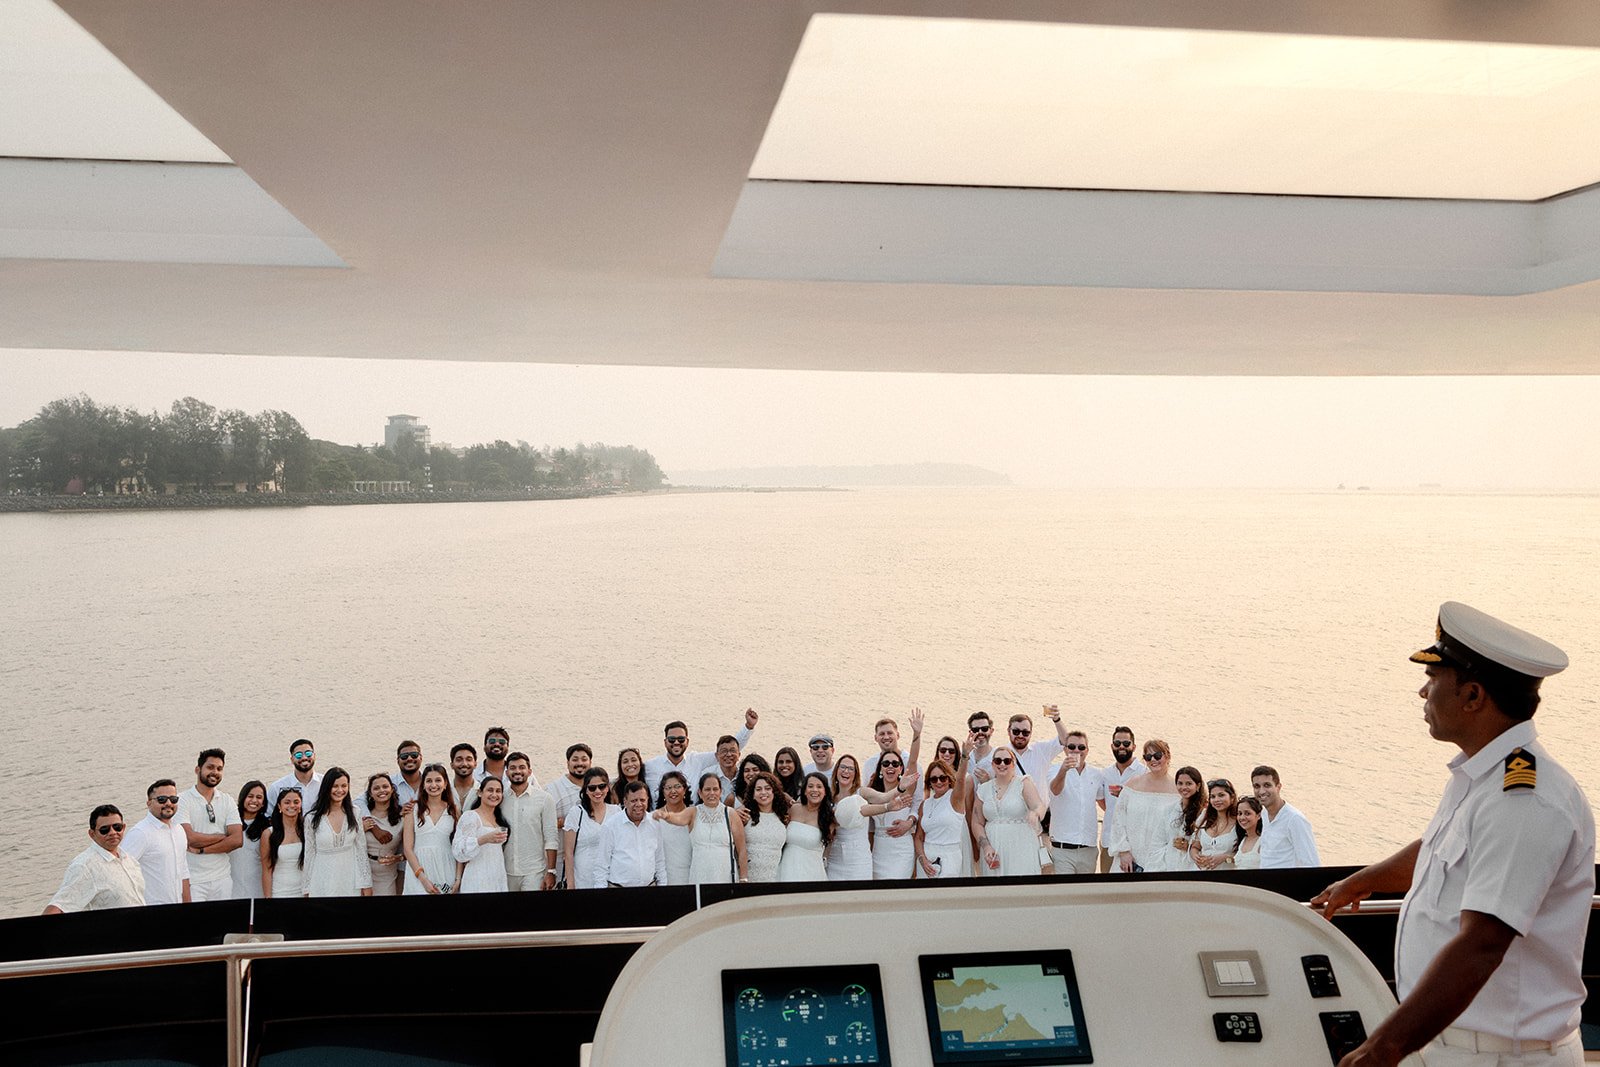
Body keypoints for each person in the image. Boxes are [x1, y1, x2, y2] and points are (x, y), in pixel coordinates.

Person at [1313, 602, 1593, 1067]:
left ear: (1473, 695)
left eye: (1435, 679)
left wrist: (1383, 1048)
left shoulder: (1523, 799)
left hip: (1502, 1057)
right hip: (1456, 1047)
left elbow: (1482, 945)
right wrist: (1362, 881)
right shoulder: (1484, 776)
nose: (1423, 691)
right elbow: (1442, 852)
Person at [44, 805, 146, 913]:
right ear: (92, 834)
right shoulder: (84, 866)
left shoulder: (130, 860)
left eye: (117, 827)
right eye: (104, 830)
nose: (112, 832)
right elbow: (58, 907)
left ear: (124, 827)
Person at [642, 709, 757, 802]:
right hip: (660, 823)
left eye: (681, 739)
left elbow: (727, 751)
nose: (676, 742)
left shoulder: (697, 761)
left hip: (690, 823)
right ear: (665, 742)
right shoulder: (650, 766)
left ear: (687, 741)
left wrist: (748, 727)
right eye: (672, 739)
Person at [654, 772, 748, 884]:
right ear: (700, 792)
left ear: (721, 791)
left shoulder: (731, 813)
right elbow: (679, 818)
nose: (711, 793)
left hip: (725, 874)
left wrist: (743, 878)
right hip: (699, 874)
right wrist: (666, 816)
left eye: (715, 789)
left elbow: (741, 850)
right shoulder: (693, 811)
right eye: (707, 789)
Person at [175, 748, 243, 901]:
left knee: (224, 925)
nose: (215, 772)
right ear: (197, 769)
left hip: (223, 879)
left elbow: (237, 840)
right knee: (197, 925)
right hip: (194, 880)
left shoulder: (227, 800)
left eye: (219, 768)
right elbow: (190, 838)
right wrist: (222, 836)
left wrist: (202, 850)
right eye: (210, 767)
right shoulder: (182, 800)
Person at [970, 746, 1048, 876]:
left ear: (1013, 764)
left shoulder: (1023, 782)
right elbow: (976, 822)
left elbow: (1039, 805)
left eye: (1007, 761)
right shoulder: (983, 789)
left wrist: (1035, 813)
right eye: (998, 761)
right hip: (993, 849)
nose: (1002, 764)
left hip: (1021, 846)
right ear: (993, 764)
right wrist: (985, 846)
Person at [1107, 740, 1182, 873]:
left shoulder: (1178, 791)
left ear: (1167, 756)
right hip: (1127, 862)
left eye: (1157, 756)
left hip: (1160, 863)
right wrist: (1123, 851)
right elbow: (1118, 820)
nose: (1153, 760)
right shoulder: (1133, 784)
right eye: (1148, 757)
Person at [303, 768, 373, 897]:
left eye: (344, 786)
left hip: (350, 878)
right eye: (335, 786)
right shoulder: (311, 818)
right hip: (321, 880)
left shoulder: (355, 812)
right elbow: (309, 855)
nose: (340, 790)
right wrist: (306, 889)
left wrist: (366, 884)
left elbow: (360, 850)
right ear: (326, 787)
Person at [122, 779, 192, 905]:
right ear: (149, 803)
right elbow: (121, 872)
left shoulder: (179, 830)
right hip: (151, 911)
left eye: (173, 799)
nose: (168, 803)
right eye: (162, 799)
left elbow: (183, 872)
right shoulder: (140, 833)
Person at [1046, 730, 1103, 875]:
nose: (1076, 750)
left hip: (1088, 849)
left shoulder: (1097, 775)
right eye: (1072, 747)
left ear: (1087, 750)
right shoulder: (1053, 770)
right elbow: (1055, 790)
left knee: (1086, 894)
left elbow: (1103, 803)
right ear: (1065, 749)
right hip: (1062, 849)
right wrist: (1063, 770)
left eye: (1081, 747)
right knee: (1064, 894)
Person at [593, 781, 667, 888]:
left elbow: (659, 861)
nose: (638, 804)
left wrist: (663, 888)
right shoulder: (611, 826)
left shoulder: (655, 823)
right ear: (625, 801)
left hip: (650, 890)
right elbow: (601, 866)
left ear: (647, 800)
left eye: (642, 800)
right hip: (618, 891)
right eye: (633, 800)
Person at [503, 751, 559, 891]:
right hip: (505, 871)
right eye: (513, 768)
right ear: (506, 772)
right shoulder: (500, 799)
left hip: (534, 872)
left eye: (522, 767)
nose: (517, 771)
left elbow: (551, 836)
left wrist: (551, 871)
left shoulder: (545, 799)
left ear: (529, 771)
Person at [402, 763, 459, 895]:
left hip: (446, 868)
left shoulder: (454, 810)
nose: (433, 785)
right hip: (419, 871)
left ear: (445, 784)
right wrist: (423, 879)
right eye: (429, 781)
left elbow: (458, 847)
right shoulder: (413, 810)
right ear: (423, 785)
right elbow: (407, 848)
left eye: (438, 780)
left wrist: (457, 879)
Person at [1253, 765, 1321, 868]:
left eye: (1267, 785)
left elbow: (1311, 864)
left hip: (1286, 882)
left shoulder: (1294, 819)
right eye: (1257, 786)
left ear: (1278, 787)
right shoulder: (1264, 814)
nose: (1261, 791)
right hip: (1264, 881)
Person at [453, 776, 511, 893]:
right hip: (477, 876)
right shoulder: (471, 816)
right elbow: (458, 850)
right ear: (480, 793)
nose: (494, 794)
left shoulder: (500, 820)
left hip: (497, 875)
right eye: (490, 790)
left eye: (498, 791)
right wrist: (484, 839)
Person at [1099, 726, 1144, 873]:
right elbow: (1103, 803)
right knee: (1106, 888)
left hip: (1134, 843)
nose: (1121, 747)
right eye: (1117, 744)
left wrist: (1126, 797)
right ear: (1112, 746)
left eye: (1126, 743)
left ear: (1133, 746)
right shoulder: (1105, 773)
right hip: (1108, 840)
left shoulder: (1144, 773)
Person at [563, 768, 617, 889]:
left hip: (611, 878)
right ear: (586, 790)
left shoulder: (617, 812)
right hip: (583, 880)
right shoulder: (576, 813)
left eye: (602, 786)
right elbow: (568, 852)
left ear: (607, 788)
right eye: (592, 788)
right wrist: (570, 884)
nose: (597, 791)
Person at [867, 751, 918, 879]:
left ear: (900, 769)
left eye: (895, 764)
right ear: (880, 769)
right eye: (886, 763)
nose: (890, 766)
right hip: (879, 852)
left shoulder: (907, 790)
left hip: (901, 850)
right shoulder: (872, 793)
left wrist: (917, 735)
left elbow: (912, 761)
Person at [546, 743, 592, 886]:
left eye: (584, 759)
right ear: (567, 763)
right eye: (575, 759)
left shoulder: (597, 788)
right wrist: (563, 823)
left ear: (590, 762)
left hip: (589, 859)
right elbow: (543, 825)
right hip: (561, 861)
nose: (580, 763)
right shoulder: (552, 789)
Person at [915, 760, 968, 879]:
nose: (938, 782)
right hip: (926, 858)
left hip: (949, 856)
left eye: (942, 778)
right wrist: (922, 859)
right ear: (929, 783)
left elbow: (961, 780)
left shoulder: (955, 798)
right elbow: (919, 837)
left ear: (949, 779)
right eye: (934, 779)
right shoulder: (925, 804)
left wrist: (965, 756)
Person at [779, 772, 836, 882]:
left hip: (812, 871)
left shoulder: (829, 817)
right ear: (804, 791)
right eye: (810, 786)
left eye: (819, 787)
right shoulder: (794, 809)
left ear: (825, 792)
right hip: (787, 868)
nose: (814, 790)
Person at [826, 754, 871, 880]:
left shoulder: (862, 792)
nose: (846, 771)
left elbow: (883, 797)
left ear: (855, 774)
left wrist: (899, 790)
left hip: (858, 859)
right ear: (836, 771)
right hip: (835, 857)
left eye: (851, 769)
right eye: (843, 767)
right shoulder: (829, 796)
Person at [742, 772, 789, 882]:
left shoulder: (784, 817)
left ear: (774, 792)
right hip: (749, 877)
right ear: (753, 794)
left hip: (775, 876)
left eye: (767, 788)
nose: (763, 792)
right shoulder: (745, 815)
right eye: (758, 789)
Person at [363, 773, 405, 895]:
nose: (381, 790)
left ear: (392, 789)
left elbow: (412, 846)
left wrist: (398, 858)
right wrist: (361, 829)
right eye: (376, 788)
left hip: (387, 874)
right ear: (370, 793)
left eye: (385, 787)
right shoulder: (363, 815)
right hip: (364, 871)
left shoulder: (402, 817)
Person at [261, 788, 305, 898]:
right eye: (287, 802)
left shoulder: (307, 832)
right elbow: (266, 869)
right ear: (279, 807)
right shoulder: (269, 834)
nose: (292, 805)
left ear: (300, 807)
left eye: (296, 802)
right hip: (279, 892)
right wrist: (268, 898)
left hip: (304, 891)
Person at [1007, 706, 1069, 781]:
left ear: (1031, 733)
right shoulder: (999, 755)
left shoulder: (1041, 750)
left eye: (1025, 732)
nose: (1020, 735)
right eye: (1016, 732)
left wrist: (1057, 720)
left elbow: (1066, 741)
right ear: (1008, 731)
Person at [232, 780, 269, 900]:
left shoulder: (267, 827)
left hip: (256, 887)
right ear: (243, 798)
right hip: (231, 886)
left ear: (263, 803)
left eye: (259, 797)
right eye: (250, 796)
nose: (254, 801)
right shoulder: (231, 822)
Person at [655, 771, 694, 885]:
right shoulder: (655, 818)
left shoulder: (694, 815)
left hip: (692, 877)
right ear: (663, 791)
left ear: (685, 789)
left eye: (677, 787)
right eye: (668, 788)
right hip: (665, 879)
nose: (673, 791)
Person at [1191, 779, 1239, 872]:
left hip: (1227, 878)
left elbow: (1246, 854)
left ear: (1232, 798)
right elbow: (1195, 847)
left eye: (1221, 795)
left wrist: (1225, 857)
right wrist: (1196, 857)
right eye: (1213, 796)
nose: (1216, 800)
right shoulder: (1204, 819)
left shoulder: (1240, 822)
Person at [266, 739, 322, 813]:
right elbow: (268, 815)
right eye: (298, 755)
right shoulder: (277, 787)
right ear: (292, 759)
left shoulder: (325, 783)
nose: (304, 757)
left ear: (314, 756)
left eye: (308, 753)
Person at [1170, 765, 1205, 871]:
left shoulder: (1204, 811)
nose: (1184, 787)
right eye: (1180, 783)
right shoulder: (1173, 808)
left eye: (1189, 784)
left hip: (1191, 864)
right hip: (1172, 860)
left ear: (1198, 786)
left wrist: (1188, 846)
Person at [1232, 796, 1264, 870]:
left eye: (1247, 813)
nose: (1242, 817)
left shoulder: (1263, 841)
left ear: (1258, 815)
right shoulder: (1243, 839)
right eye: (1239, 813)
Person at [391, 740, 424, 809]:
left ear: (420, 758)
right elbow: (363, 799)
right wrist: (367, 816)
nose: (409, 759)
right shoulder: (389, 783)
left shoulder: (432, 782)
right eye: (404, 756)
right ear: (398, 760)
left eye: (414, 755)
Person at [449, 743, 479, 812]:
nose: (464, 764)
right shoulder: (444, 791)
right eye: (459, 760)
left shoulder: (481, 791)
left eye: (469, 759)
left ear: (475, 764)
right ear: (452, 765)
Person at [711, 736, 742, 802]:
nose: (728, 754)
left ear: (739, 755)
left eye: (732, 750)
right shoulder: (708, 774)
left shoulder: (744, 774)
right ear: (717, 756)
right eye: (724, 751)